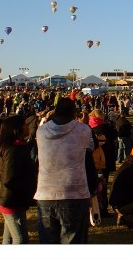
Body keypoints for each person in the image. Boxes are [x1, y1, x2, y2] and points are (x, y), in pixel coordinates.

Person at [34, 97, 95, 244]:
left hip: (46, 192)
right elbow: (91, 150)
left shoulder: (41, 132)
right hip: (74, 193)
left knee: (48, 241)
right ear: (74, 113)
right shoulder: (83, 130)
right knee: (73, 240)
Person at [0, 114, 37, 244]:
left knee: (8, 238)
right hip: (12, 200)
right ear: (16, 129)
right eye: (24, 124)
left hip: (14, 199)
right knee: (20, 239)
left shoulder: (18, 147)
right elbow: (9, 179)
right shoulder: (13, 150)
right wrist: (26, 191)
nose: (27, 126)